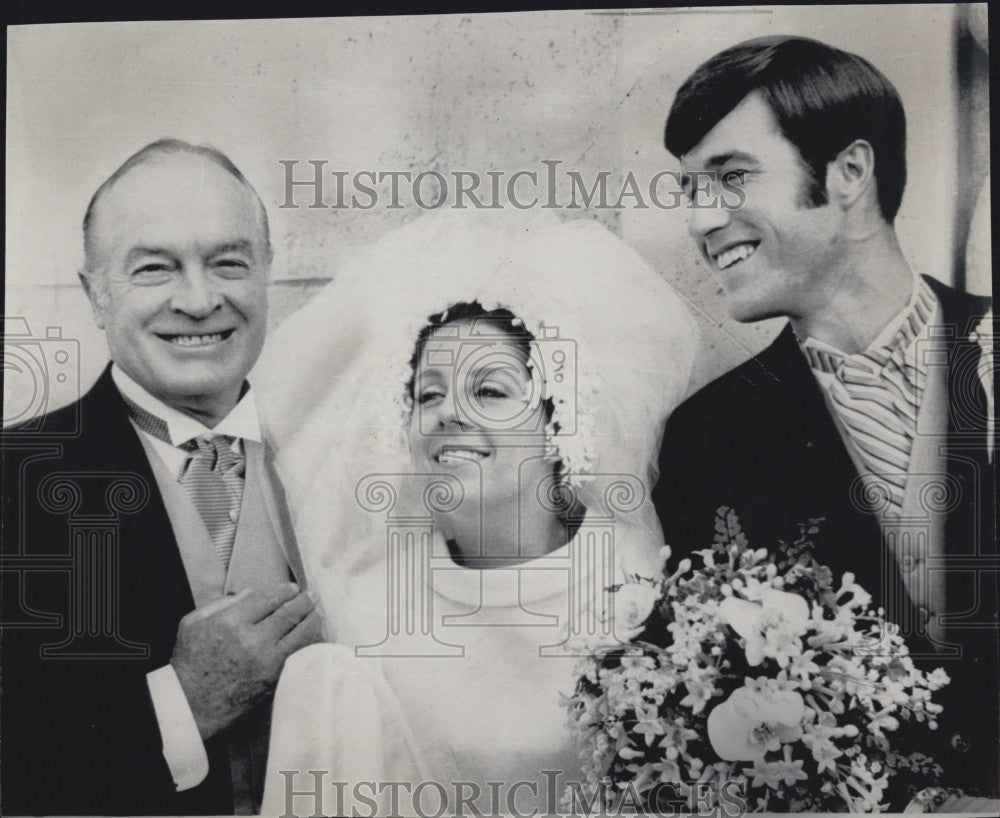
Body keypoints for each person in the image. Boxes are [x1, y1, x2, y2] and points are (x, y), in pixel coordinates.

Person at [253, 211, 699, 816]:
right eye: (428, 393)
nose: (447, 414)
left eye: (489, 391)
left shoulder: (646, 581)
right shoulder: (363, 607)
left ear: (556, 424)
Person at [651, 36, 997, 806]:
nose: (701, 222)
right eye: (689, 191)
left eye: (731, 177)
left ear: (849, 172)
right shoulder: (706, 439)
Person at [0, 140, 322, 815]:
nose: (201, 300)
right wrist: (182, 702)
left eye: (229, 263)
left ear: (267, 274)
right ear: (95, 293)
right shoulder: (13, 482)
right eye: (155, 269)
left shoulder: (343, 459)